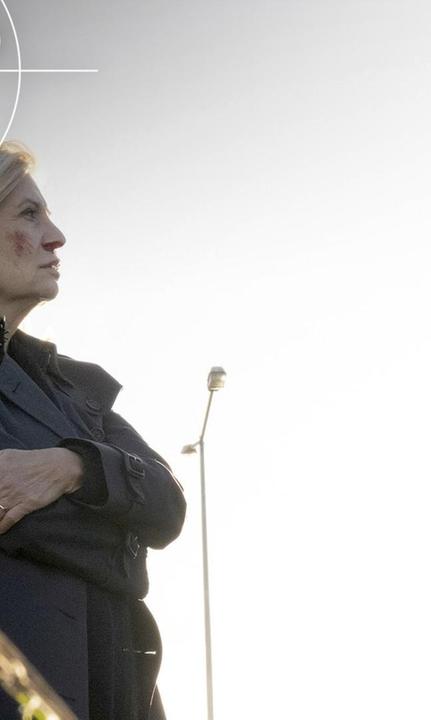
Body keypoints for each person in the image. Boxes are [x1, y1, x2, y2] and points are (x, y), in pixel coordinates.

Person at [0, 142, 186, 720]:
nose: (56, 237)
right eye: (29, 214)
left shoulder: (74, 389)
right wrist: (123, 535)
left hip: (116, 692)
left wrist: (73, 466)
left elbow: (167, 504)